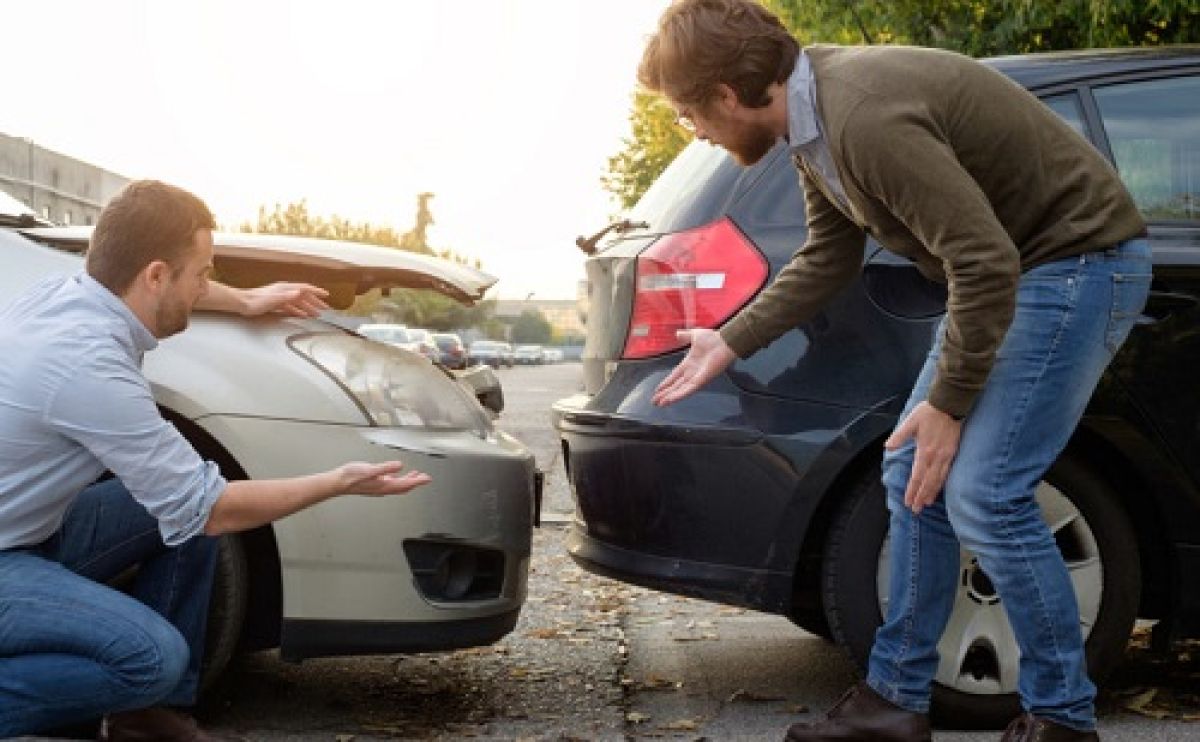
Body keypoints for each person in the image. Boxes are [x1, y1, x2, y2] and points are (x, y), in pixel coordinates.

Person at [639, 2, 1150, 741]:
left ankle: (1062, 717)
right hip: (1019, 274)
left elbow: (983, 259)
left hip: (1073, 265)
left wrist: (948, 404)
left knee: (986, 494)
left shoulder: (863, 118)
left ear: (726, 92)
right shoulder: (812, 128)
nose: (698, 132)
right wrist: (729, 340)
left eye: (689, 114)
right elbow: (828, 255)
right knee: (913, 471)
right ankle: (895, 702)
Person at [0, 180, 432, 740]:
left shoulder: (64, 295)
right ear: (156, 275)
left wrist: (249, 300)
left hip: (29, 534)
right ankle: (123, 692)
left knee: (173, 505)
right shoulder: (88, 363)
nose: (208, 284)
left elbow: (188, 504)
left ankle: (140, 719)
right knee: (152, 657)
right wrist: (336, 481)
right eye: (202, 273)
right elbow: (213, 511)